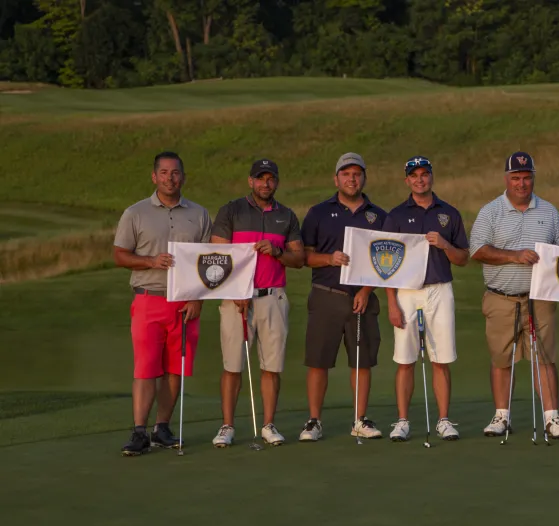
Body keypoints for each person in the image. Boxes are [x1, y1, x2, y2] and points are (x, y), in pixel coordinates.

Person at [113, 151, 212, 456]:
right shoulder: (135, 213)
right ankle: (139, 431)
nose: (171, 178)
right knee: (145, 369)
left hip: (184, 304)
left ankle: (162, 428)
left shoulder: (199, 214)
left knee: (174, 369)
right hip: (149, 300)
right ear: (154, 177)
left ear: (183, 176)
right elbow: (120, 255)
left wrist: (197, 298)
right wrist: (150, 261)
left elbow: (207, 262)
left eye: (176, 172)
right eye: (165, 173)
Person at [469, 151, 559, 439]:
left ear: (533, 178)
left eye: (527, 177)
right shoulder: (491, 212)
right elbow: (477, 250)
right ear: (506, 179)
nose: (521, 183)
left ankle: (552, 418)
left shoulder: (549, 212)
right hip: (501, 296)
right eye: (516, 178)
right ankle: (502, 416)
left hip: (539, 298)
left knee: (545, 358)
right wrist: (514, 256)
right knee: (502, 359)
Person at [209, 159, 305, 447]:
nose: (266, 184)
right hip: (237, 299)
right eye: (260, 179)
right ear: (250, 181)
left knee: (271, 366)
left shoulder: (286, 216)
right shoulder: (231, 210)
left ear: (276, 182)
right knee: (232, 365)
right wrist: (234, 289)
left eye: (271, 179)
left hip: (273, 297)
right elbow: (217, 255)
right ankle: (227, 426)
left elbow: (299, 259)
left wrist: (277, 252)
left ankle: (268, 424)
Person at [298, 152, 386, 442]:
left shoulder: (378, 215)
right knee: (319, 361)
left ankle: (360, 419)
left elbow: (385, 262)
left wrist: (366, 290)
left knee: (362, 362)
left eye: (357, 174)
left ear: (364, 178)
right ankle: (314, 421)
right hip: (326, 295)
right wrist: (329, 259)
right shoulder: (319, 213)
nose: (352, 179)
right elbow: (304, 257)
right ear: (336, 179)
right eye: (346, 174)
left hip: (362, 298)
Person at [383, 156, 469, 442]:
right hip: (406, 292)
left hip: (440, 289)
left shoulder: (449, 213)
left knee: (441, 359)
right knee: (405, 360)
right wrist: (392, 303)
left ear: (432, 177)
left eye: (424, 174)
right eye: (414, 175)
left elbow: (463, 258)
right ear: (407, 180)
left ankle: (444, 420)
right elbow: (385, 265)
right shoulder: (395, 216)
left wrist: (445, 245)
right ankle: (403, 421)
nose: (420, 179)